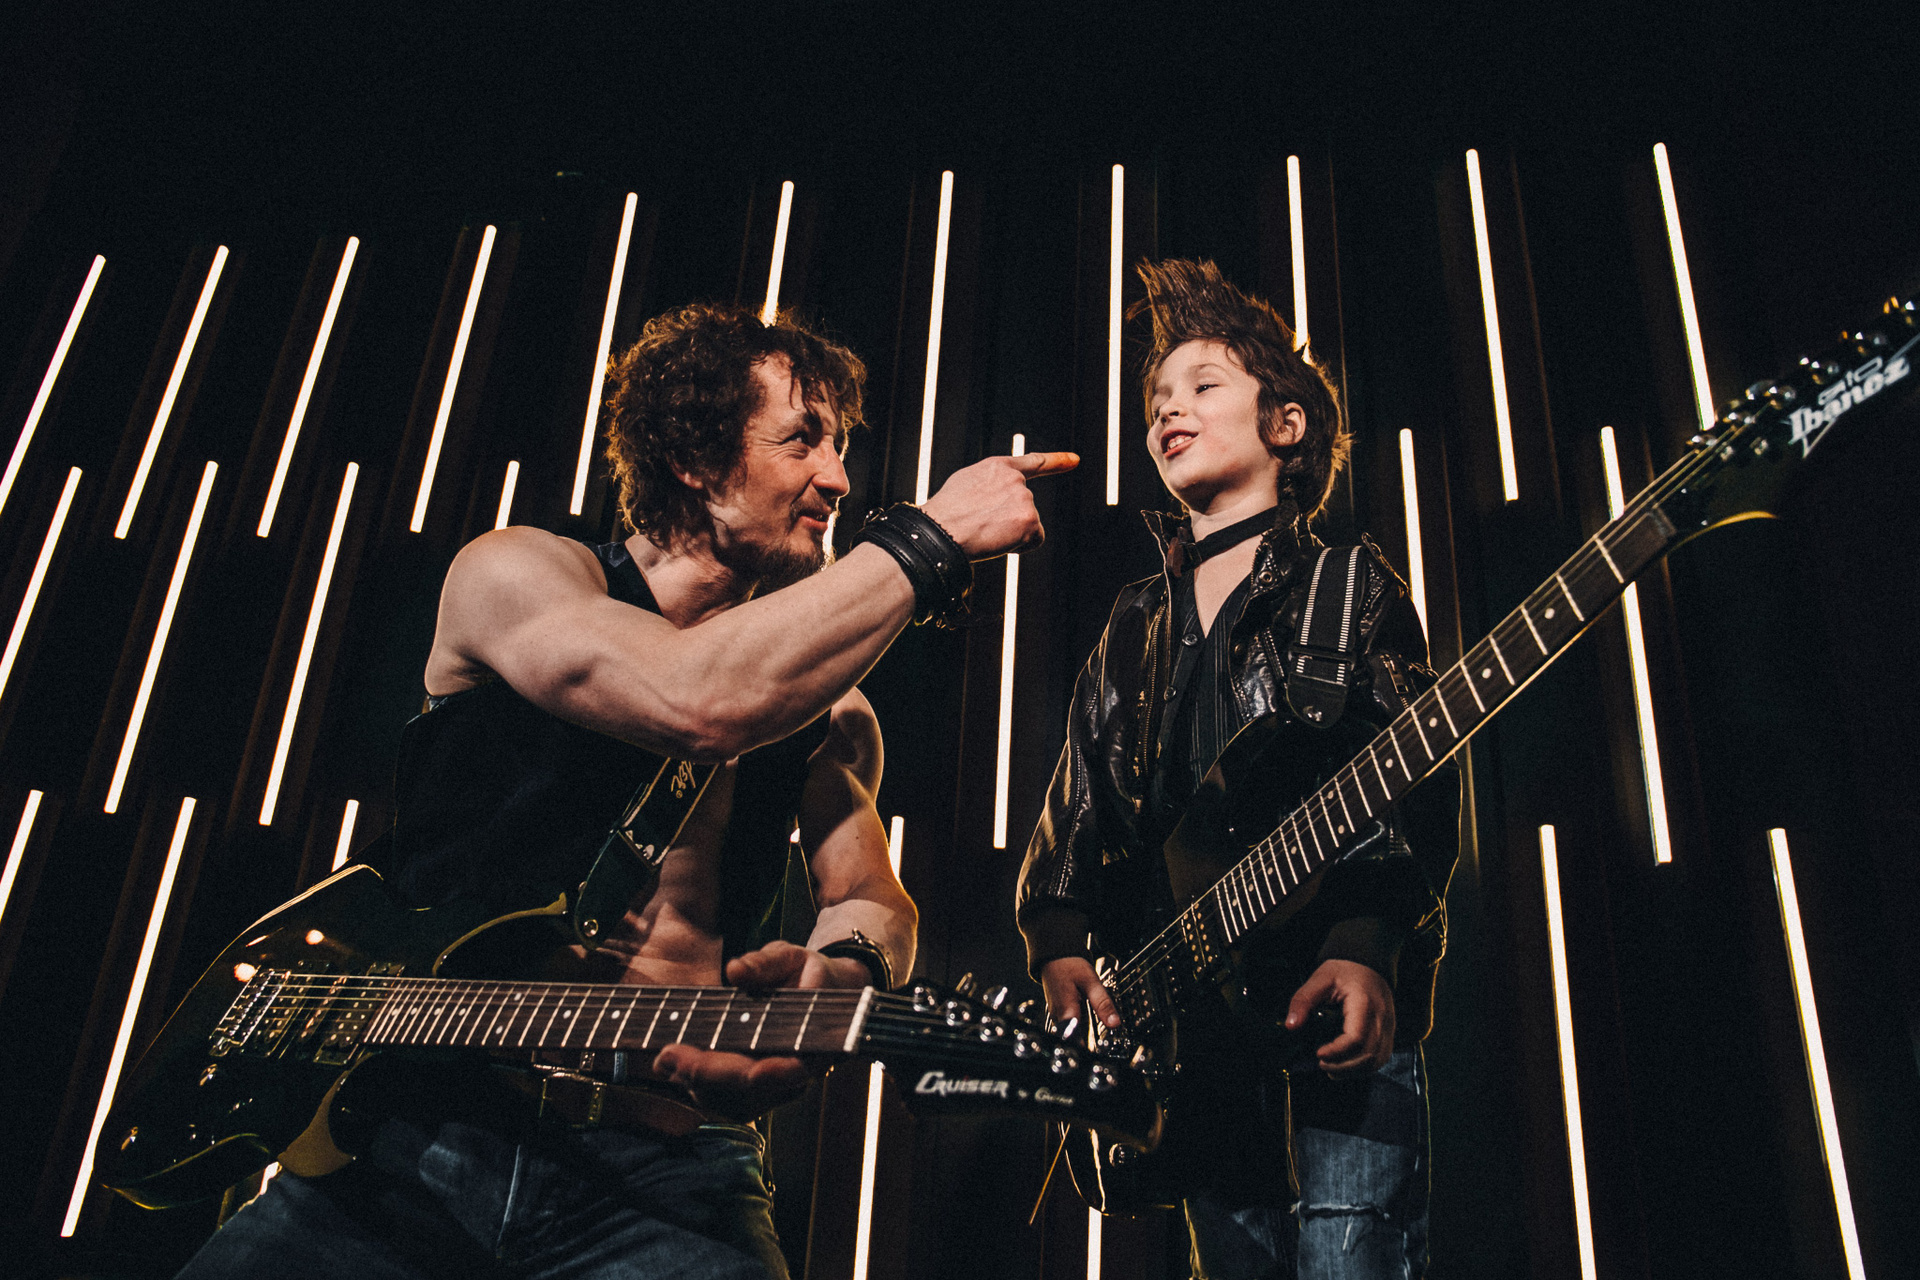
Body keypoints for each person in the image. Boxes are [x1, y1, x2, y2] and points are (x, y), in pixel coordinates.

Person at [178, 301, 1075, 1279]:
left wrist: (845, 967)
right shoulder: (516, 574)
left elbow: (869, 895)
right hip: (411, 1137)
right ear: (692, 456)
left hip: (671, 1173)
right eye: (802, 440)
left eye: (841, 447)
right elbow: (696, 698)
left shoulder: (832, 711)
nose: (839, 478)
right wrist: (929, 537)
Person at [1016, 260, 1458, 1279]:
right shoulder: (1134, 620)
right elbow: (1080, 793)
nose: (1168, 410)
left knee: (1353, 1250)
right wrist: (1058, 939)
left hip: (1324, 1000)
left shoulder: (1348, 585)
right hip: (1195, 1039)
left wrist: (1366, 942)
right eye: (1156, 402)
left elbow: (1410, 775)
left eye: (1203, 385)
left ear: (1286, 425)